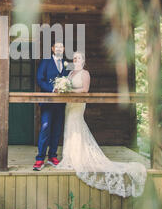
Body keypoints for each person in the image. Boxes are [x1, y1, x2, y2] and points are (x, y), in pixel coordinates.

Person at [56, 51, 147, 198]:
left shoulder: (85, 74)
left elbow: (85, 90)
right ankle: (70, 155)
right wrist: (63, 88)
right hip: (69, 103)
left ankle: (78, 157)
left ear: (83, 61)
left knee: (77, 126)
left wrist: (69, 90)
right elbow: (66, 85)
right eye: (74, 58)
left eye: (78, 58)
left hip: (78, 104)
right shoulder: (71, 73)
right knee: (69, 128)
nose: (76, 59)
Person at [33, 42, 70, 171]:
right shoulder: (46, 62)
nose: (59, 48)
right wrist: (52, 89)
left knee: (57, 129)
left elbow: (69, 79)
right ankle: (40, 159)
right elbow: (39, 78)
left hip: (60, 103)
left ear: (64, 49)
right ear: (53, 48)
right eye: (57, 47)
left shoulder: (66, 64)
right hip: (48, 101)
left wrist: (66, 87)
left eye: (62, 47)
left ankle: (52, 156)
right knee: (45, 128)